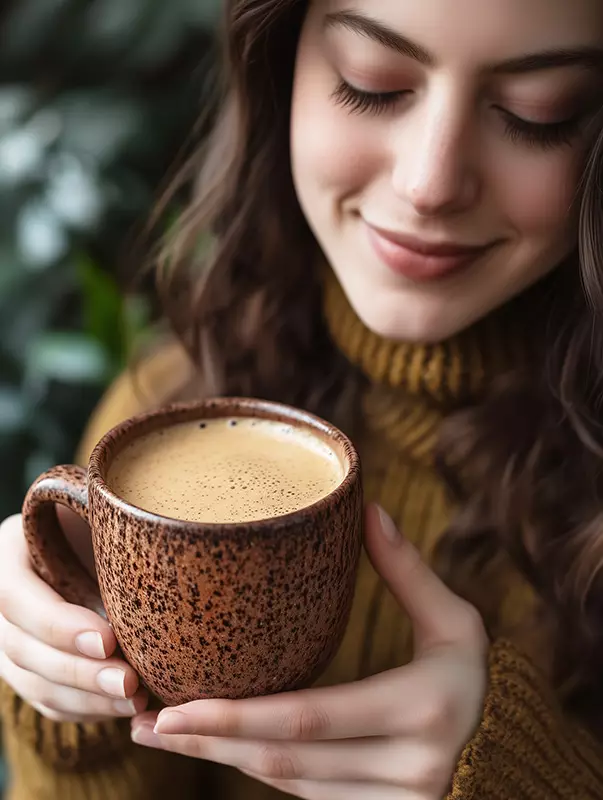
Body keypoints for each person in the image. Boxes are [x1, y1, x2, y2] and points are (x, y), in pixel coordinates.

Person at [2, 0, 603, 797]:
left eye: (536, 115)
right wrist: (67, 699)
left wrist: (529, 778)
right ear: (278, 65)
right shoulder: (167, 404)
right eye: (372, 84)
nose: (429, 183)